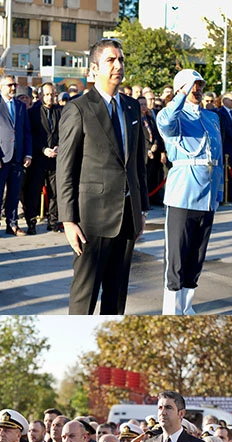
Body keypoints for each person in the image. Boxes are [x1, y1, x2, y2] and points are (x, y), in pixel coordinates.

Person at [57, 38, 150, 314]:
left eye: (120, 59)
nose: (118, 65)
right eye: (110, 60)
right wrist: (68, 220)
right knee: (85, 298)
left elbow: (137, 164)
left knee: (116, 298)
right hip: (91, 221)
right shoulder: (79, 109)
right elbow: (66, 168)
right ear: (94, 68)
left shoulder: (132, 107)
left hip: (128, 217)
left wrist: (142, 208)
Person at [156, 69, 223, 315]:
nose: (198, 89)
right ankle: (172, 310)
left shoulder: (211, 117)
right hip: (182, 194)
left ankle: (187, 306)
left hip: (207, 196)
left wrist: (219, 192)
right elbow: (165, 123)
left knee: (196, 257)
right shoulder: (172, 115)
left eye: (200, 85)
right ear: (181, 88)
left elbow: (217, 156)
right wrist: (180, 97)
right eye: (193, 85)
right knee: (176, 258)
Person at [24, 82, 62, 234]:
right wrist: (43, 149)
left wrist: (59, 145)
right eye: (47, 94)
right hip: (38, 158)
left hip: (55, 158)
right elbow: (29, 135)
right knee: (33, 192)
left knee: (55, 192)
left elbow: (64, 131)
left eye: (52, 94)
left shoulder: (61, 111)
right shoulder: (33, 112)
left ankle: (53, 222)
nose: (50, 97)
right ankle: (31, 222)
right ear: (40, 96)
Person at [0, 75, 32, 236]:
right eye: (10, 85)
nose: (13, 88)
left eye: (15, 85)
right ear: (1, 86)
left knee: (13, 193)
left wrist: (28, 153)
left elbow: (26, 131)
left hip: (17, 157)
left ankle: (12, 224)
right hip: (2, 157)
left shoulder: (20, 106)